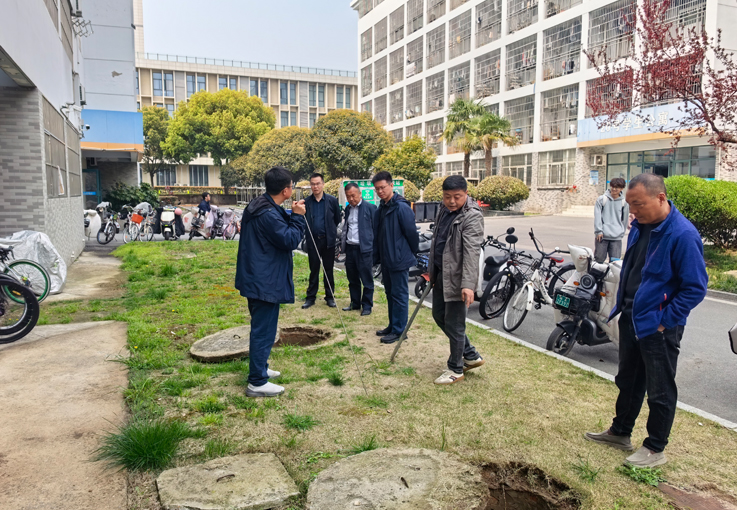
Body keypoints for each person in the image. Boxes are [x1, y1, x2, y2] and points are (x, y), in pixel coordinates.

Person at [585, 173, 708, 467]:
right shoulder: (640, 227)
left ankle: (655, 447)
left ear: (660, 198)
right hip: (631, 317)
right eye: (630, 205)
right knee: (628, 380)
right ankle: (620, 432)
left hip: (658, 326)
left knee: (659, 388)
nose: (632, 211)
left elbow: (695, 288)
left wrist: (664, 321)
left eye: (638, 204)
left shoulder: (682, 234)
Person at [235, 166, 306, 398]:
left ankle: (261, 368)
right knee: (263, 331)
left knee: (264, 328)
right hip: (263, 280)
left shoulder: (260, 205)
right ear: (286, 190)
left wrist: (291, 214)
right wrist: (298, 217)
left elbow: (277, 224)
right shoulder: (267, 213)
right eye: (291, 186)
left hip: (258, 276)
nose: (292, 190)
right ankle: (257, 382)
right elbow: (290, 239)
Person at [429, 176, 486, 384]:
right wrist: (432, 271)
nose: (451, 201)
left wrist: (468, 285)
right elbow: (438, 240)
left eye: (457, 197)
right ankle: (470, 354)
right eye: (447, 196)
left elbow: (472, 253)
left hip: (458, 278)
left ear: (466, 194)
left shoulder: (472, 216)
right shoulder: (443, 209)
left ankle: (455, 369)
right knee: (438, 315)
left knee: (455, 323)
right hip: (441, 273)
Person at [372, 171, 419, 344]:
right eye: (377, 189)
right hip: (386, 259)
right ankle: (393, 325)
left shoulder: (401, 207)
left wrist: (409, 252)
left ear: (392, 185)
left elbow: (412, 234)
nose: (380, 191)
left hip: (399, 259)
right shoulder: (382, 207)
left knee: (399, 296)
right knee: (390, 294)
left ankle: (400, 331)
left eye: (383, 187)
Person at [302, 173, 341, 309]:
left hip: (328, 241)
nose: (315, 186)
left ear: (323, 184)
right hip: (313, 241)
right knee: (314, 269)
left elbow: (337, 219)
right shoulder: (306, 202)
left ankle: (330, 297)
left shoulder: (332, 200)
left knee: (328, 270)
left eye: (318, 183)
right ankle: (310, 297)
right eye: (313, 184)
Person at [340, 182, 377, 316]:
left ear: (360, 194)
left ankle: (367, 305)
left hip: (364, 250)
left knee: (367, 279)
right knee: (352, 278)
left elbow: (376, 229)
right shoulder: (348, 209)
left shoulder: (370, 208)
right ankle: (355, 303)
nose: (351, 199)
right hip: (350, 248)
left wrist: (374, 249)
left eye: (353, 195)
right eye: (348, 196)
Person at [594, 177, 629, 263]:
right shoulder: (602, 199)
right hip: (602, 236)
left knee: (615, 262)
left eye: (617, 187)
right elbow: (597, 216)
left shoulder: (624, 202)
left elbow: (625, 220)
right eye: (612, 186)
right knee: (599, 260)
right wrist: (598, 231)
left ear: (621, 188)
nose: (614, 189)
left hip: (616, 237)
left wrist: (621, 232)